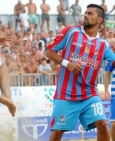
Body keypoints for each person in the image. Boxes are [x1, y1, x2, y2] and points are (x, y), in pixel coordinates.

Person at [45, 4, 115, 141]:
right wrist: (67, 64)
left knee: (102, 124)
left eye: (90, 14)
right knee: (58, 131)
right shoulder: (71, 32)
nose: (86, 16)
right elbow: (49, 52)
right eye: (85, 13)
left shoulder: (103, 44)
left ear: (99, 19)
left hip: (90, 94)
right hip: (66, 94)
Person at [105, 61, 115, 140]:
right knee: (114, 124)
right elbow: (107, 74)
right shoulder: (112, 58)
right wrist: (106, 90)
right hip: (114, 96)